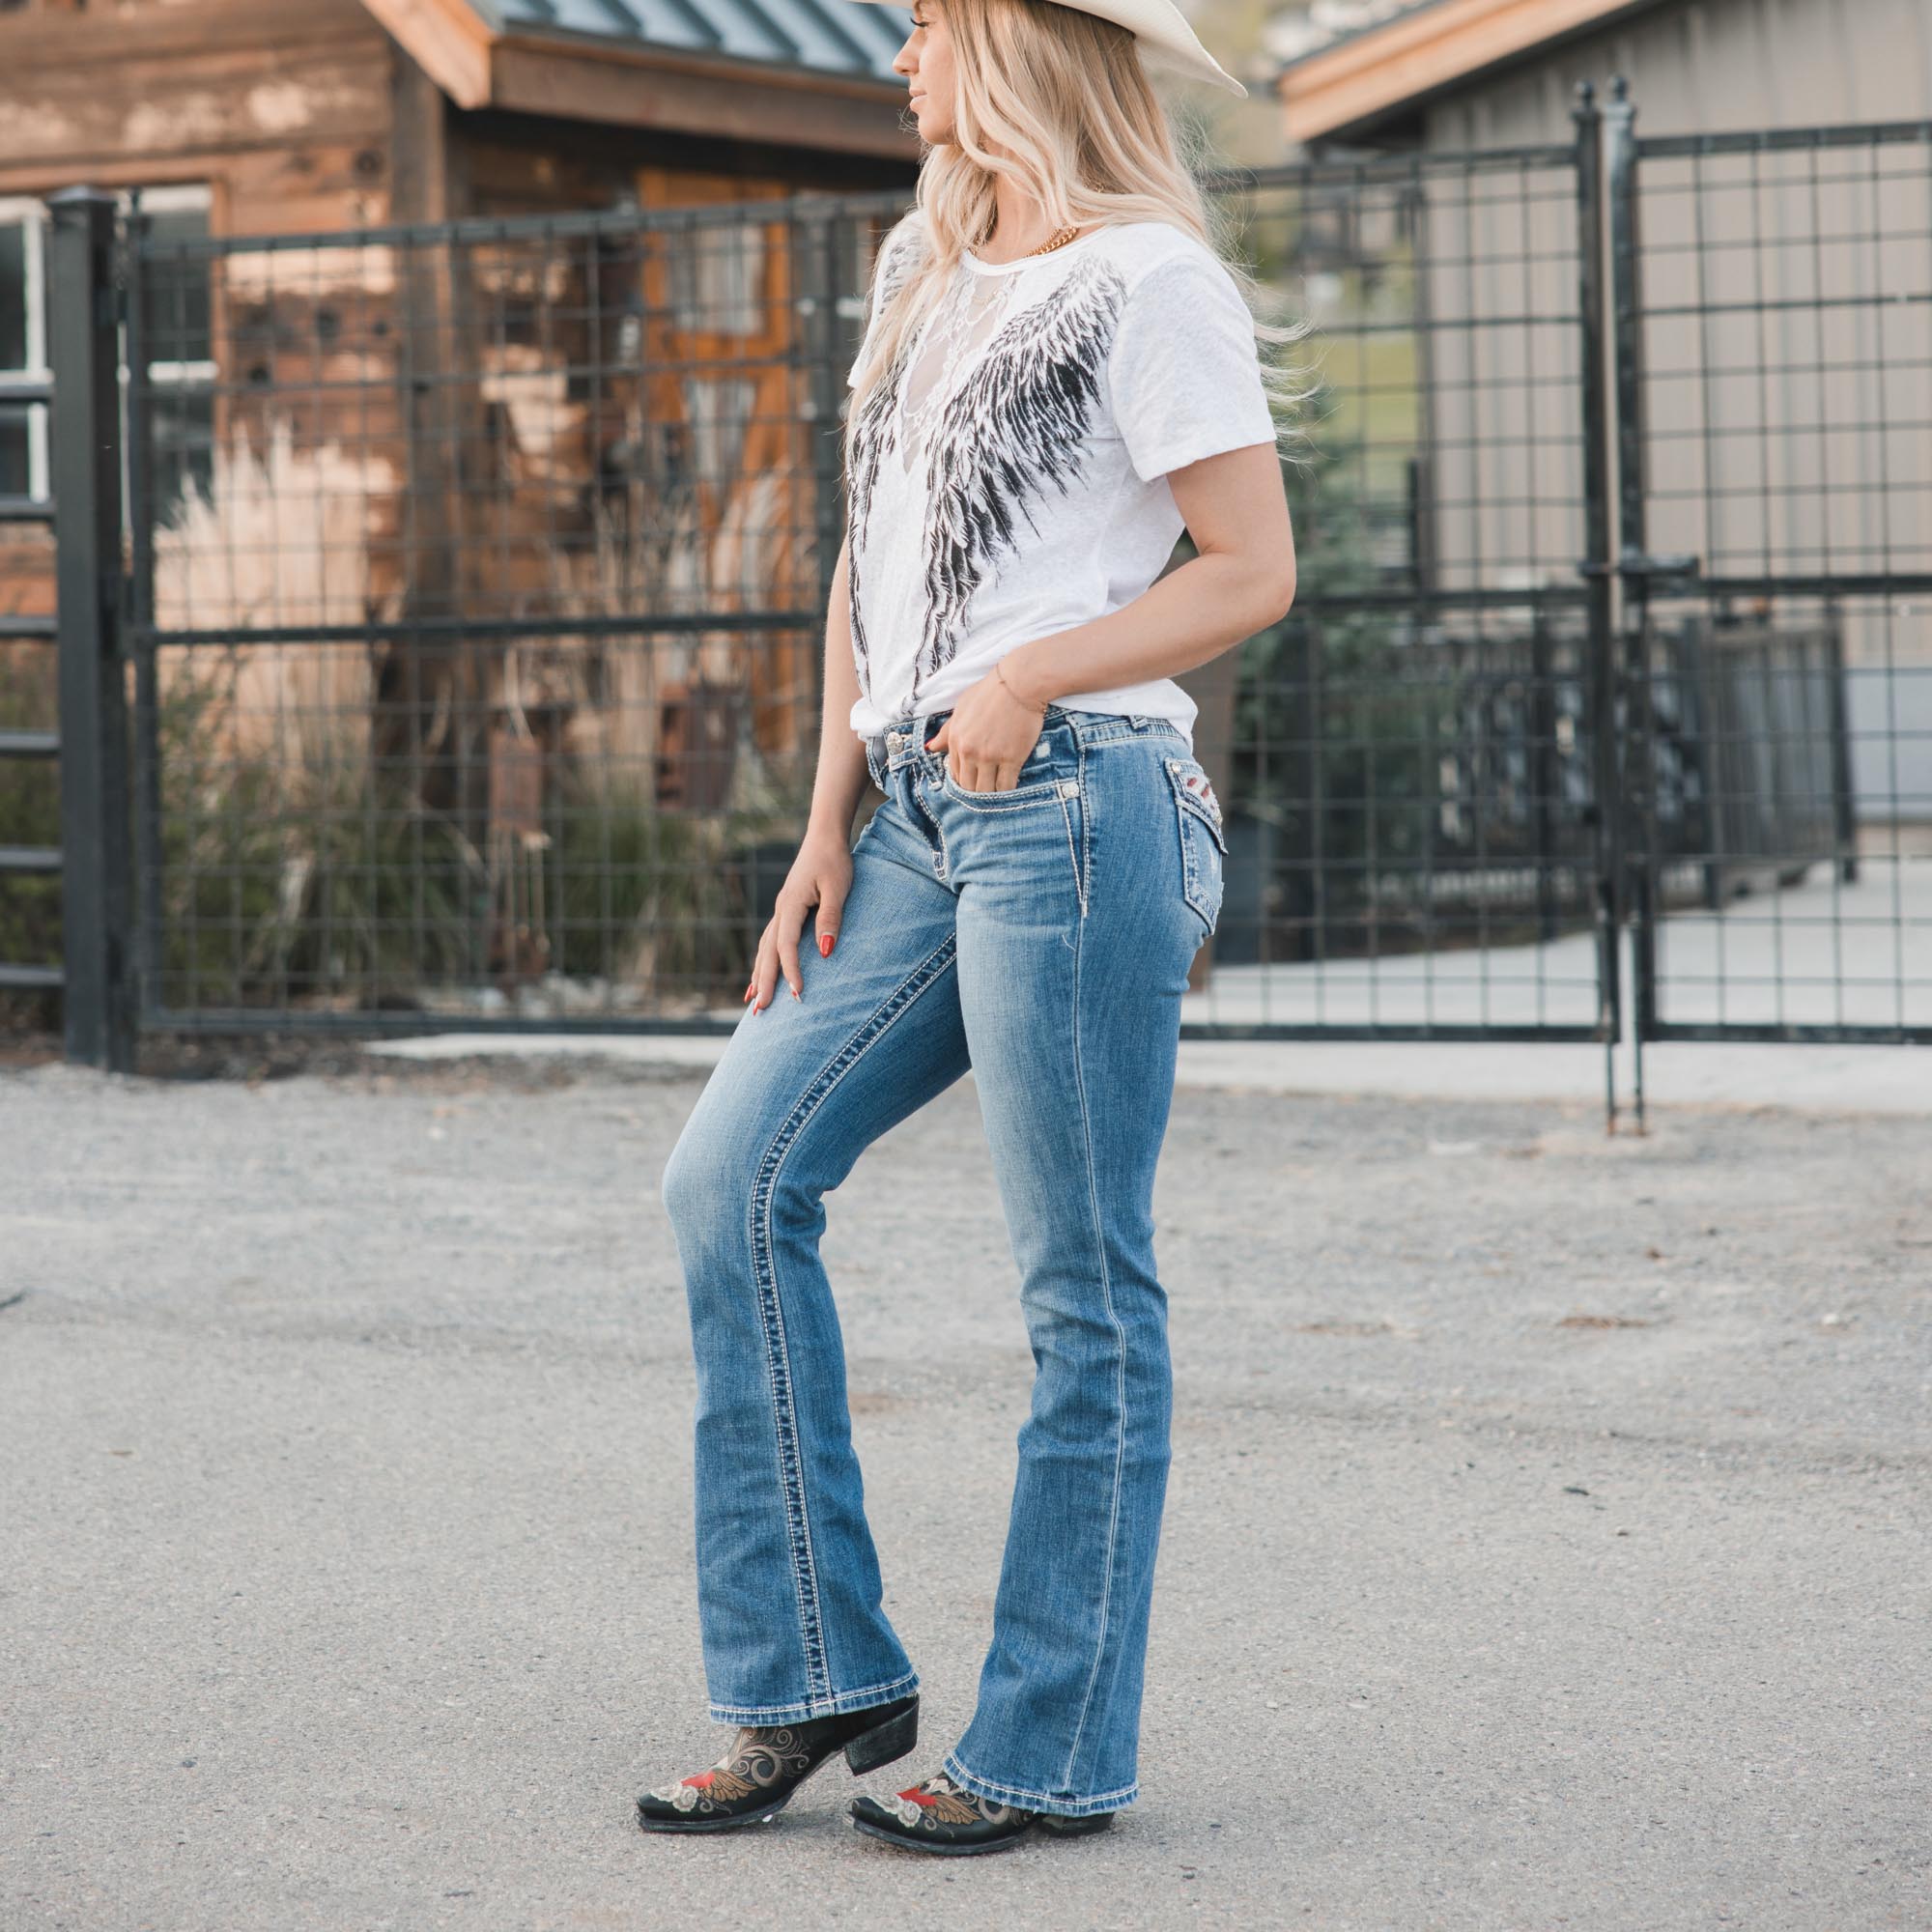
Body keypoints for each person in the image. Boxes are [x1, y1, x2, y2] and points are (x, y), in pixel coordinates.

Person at [638, 0, 1305, 1857]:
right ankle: (809, 1673)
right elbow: (868, 558)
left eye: (931, 20)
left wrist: (1029, 675)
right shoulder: (918, 264)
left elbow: (1251, 570)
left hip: (1076, 800)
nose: (901, 55)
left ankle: (1050, 1744)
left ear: (1014, 38)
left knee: (1081, 1288)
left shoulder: (1148, 279)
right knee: (726, 1185)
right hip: (916, 809)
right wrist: (827, 814)